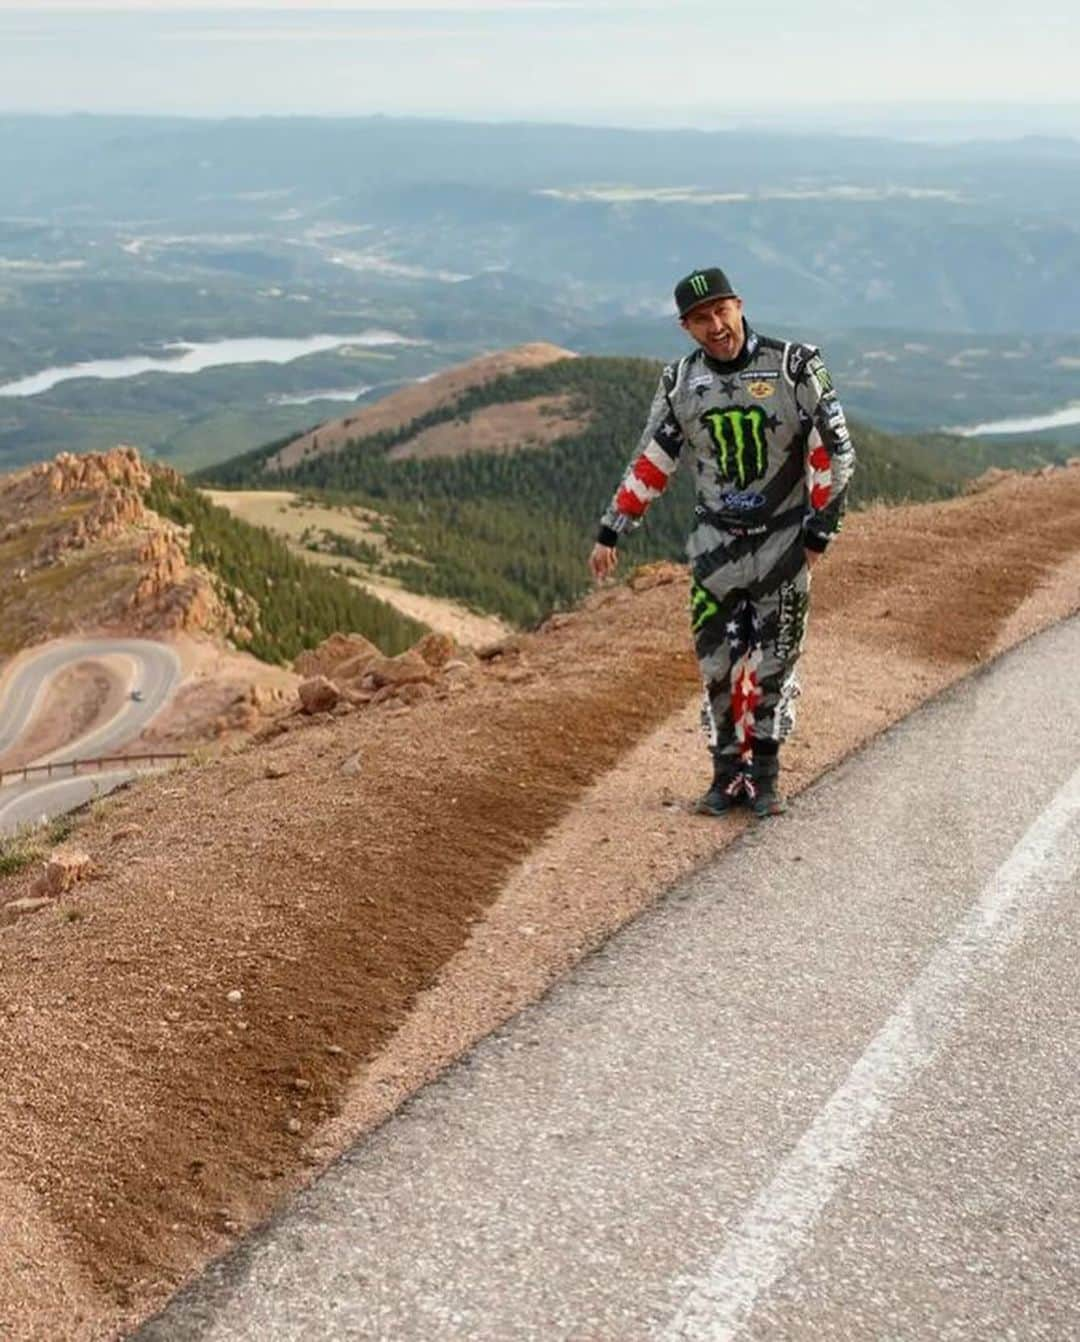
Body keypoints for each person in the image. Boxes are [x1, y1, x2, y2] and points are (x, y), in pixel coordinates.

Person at [589, 266, 855, 818]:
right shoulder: (680, 382)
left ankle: (767, 779)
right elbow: (653, 457)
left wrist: (819, 531)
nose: (716, 326)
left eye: (722, 311)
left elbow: (836, 451)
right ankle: (724, 777)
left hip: (781, 539)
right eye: (701, 319)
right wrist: (614, 527)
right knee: (717, 663)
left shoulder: (795, 365)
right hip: (713, 546)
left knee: (775, 662)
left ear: (738, 304)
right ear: (686, 327)